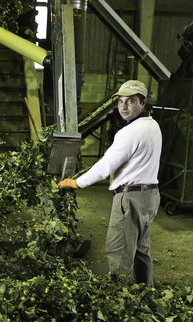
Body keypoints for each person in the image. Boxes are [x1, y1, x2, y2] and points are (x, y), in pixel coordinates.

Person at [57, 80, 162, 285]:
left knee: (119, 250)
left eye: (130, 101)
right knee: (141, 250)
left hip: (129, 198)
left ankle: (119, 301)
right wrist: (110, 160)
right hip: (149, 196)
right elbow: (133, 157)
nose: (123, 106)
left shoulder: (128, 132)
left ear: (143, 103)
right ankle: (146, 294)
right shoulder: (152, 125)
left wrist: (77, 183)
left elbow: (104, 168)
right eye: (121, 101)